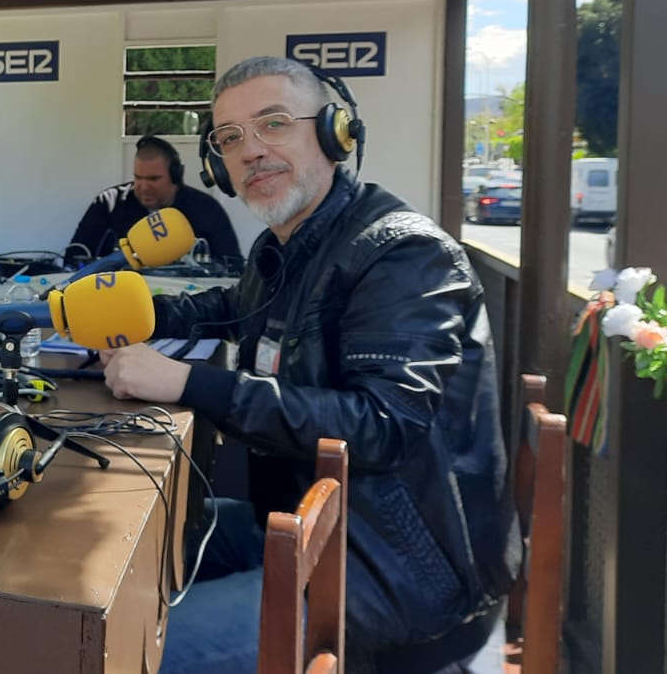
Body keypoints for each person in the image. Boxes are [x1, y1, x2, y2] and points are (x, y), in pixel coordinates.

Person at [101, 57, 515, 674]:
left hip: (402, 569)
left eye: (274, 123)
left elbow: (383, 426)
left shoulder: (403, 253)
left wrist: (189, 381)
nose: (250, 151)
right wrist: (139, 315)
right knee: (139, 541)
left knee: (126, 651)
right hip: (313, 521)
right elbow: (230, 308)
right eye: (231, 138)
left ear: (334, 133)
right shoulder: (285, 244)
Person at [67, 135, 241, 265]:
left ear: (175, 176)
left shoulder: (206, 209)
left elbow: (233, 266)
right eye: (138, 177)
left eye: (153, 179)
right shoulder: (109, 203)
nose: (143, 186)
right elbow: (75, 258)